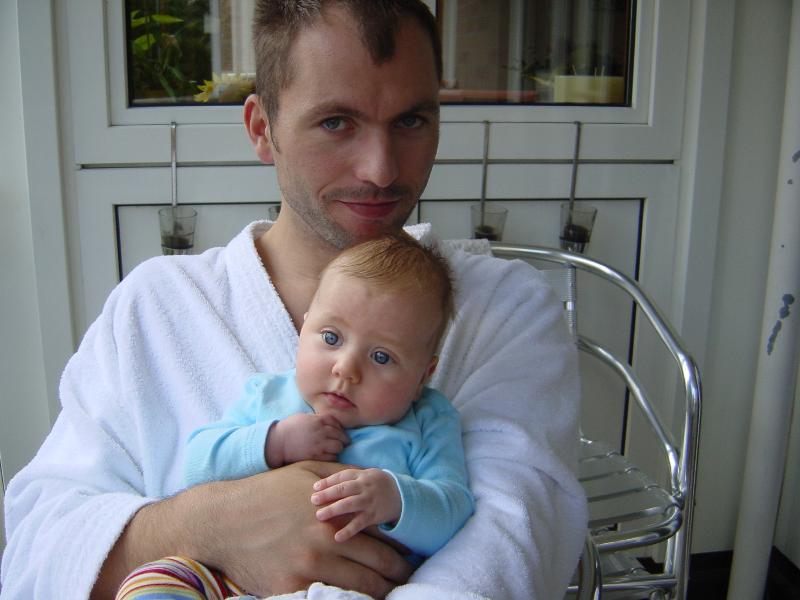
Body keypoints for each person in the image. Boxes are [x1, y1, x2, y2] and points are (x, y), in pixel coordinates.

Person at [0, 1, 588, 599]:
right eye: (336, 122)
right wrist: (215, 524)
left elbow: (513, 545)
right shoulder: (155, 308)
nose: (381, 170)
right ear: (263, 128)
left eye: (411, 120)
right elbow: (37, 545)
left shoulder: (504, 310)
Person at [115, 234, 474, 598]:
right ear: (304, 328)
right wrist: (273, 442)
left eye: (381, 357)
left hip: (346, 588)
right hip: (228, 577)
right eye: (331, 338)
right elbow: (197, 464)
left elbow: (454, 509)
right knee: (153, 579)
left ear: (423, 376)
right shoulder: (268, 395)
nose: (346, 368)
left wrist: (397, 498)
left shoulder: (428, 419)